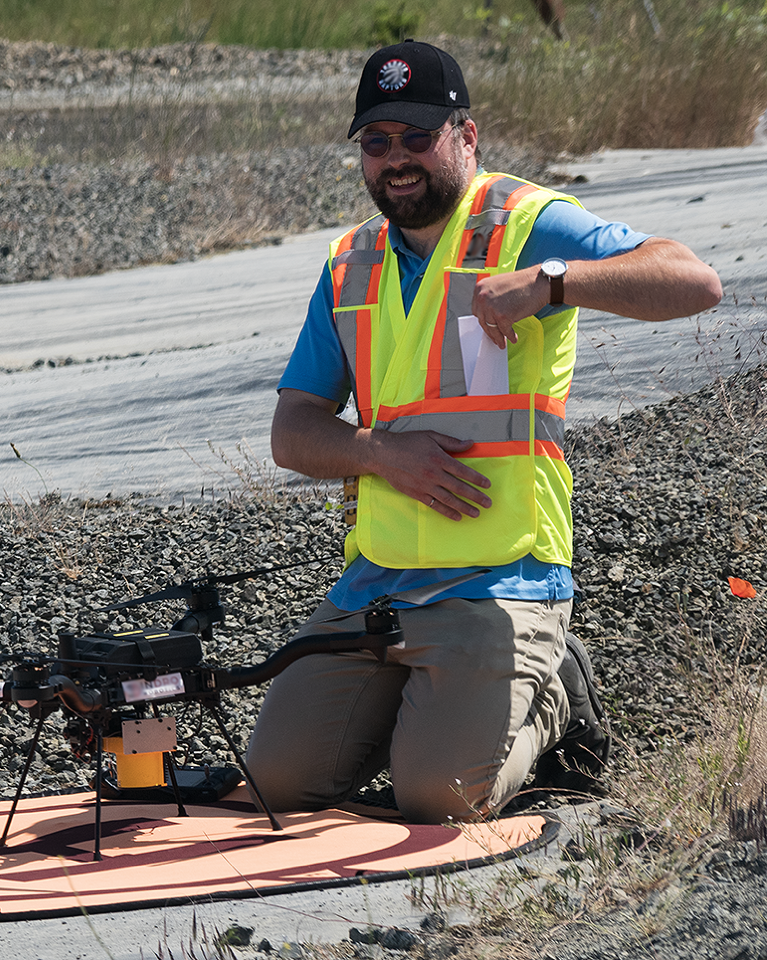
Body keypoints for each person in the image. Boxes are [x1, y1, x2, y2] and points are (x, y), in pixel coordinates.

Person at [244, 39, 722, 823]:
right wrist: (378, 455)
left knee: (440, 799)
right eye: (376, 142)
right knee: (278, 787)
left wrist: (554, 280)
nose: (395, 159)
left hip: (501, 578)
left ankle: (556, 688)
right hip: (378, 581)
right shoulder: (348, 264)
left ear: (467, 136)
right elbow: (293, 432)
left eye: (417, 137)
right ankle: (427, 712)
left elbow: (693, 281)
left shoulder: (526, 223)